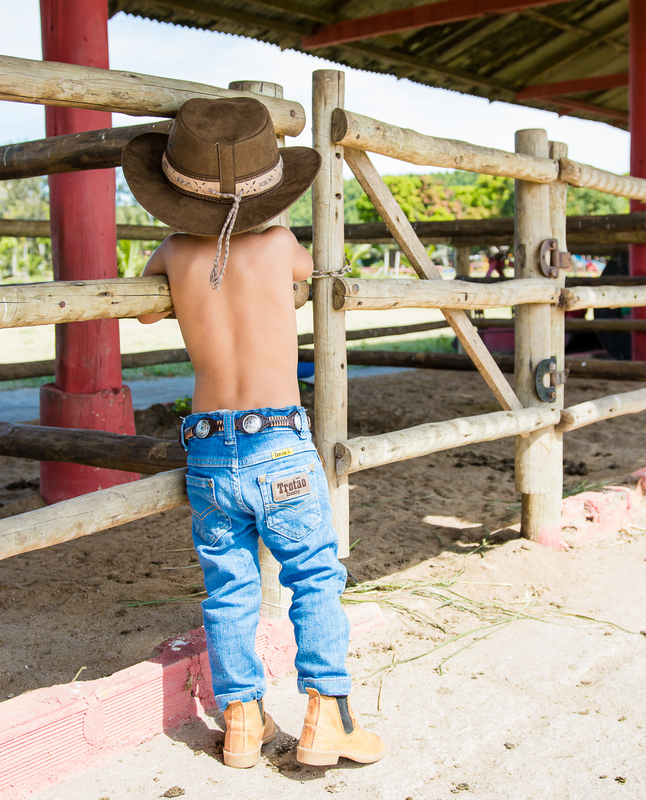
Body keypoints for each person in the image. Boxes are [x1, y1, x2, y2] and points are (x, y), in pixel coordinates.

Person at [122, 96, 385, 770]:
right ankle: (328, 717)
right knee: (313, 575)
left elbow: (146, 313)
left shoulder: (173, 252)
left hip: (209, 447)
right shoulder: (278, 244)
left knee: (228, 587)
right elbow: (307, 276)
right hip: (278, 443)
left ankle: (241, 721)